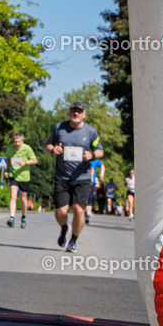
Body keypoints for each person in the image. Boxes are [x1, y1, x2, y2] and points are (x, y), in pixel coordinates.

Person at [46, 102, 103, 252]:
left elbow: (100, 151)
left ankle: (73, 240)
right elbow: (48, 145)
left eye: (79, 111)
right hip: (62, 176)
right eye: (74, 111)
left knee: (79, 210)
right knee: (61, 212)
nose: (76, 114)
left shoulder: (90, 131)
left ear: (84, 114)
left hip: (82, 177)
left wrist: (91, 155)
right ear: (70, 113)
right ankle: (65, 228)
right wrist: (54, 150)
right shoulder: (60, 128)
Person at [5, 133, 37, 228]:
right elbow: (8, 160)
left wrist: (25, 162)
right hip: (13, 175)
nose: (17, 144)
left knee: (23, 198)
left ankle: (23, 217)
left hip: (24, 177)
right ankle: (11, 218)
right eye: (15, 142)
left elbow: (35, 160)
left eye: (19, 142)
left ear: (22, 141)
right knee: (13, 196)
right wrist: (7, 170)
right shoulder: (10, 148)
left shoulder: (27, 148)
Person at [86, 157, 103, 224]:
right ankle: (85, 213)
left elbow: (101, 167)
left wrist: (101, 175)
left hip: (91, 182)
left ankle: (87, 215)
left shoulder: (95, 161)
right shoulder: (82, 158)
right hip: (83, 181)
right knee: (85, 199)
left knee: (90, 198)